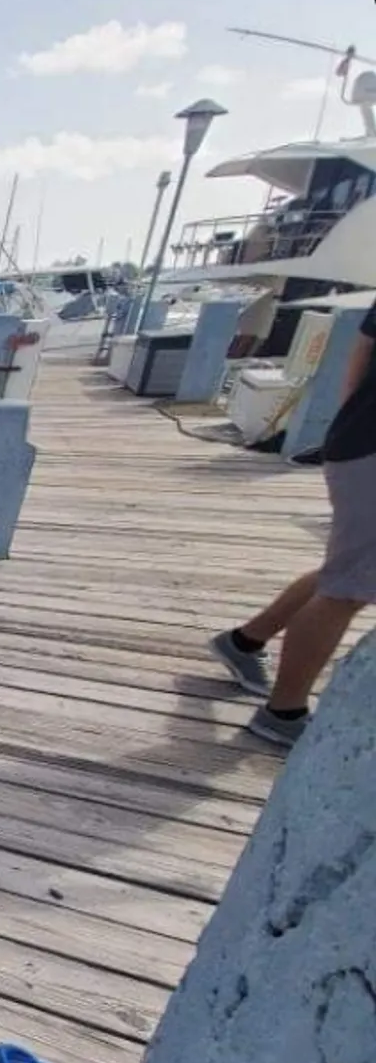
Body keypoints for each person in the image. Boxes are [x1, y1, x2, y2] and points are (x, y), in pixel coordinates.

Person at [208, 302, 376, 747]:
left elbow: (361, 351)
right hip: (369, 451)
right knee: (348, 587)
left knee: (348, 571)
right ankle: (284, 712)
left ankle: (245, 642)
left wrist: (354, 423)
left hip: (360, 442)